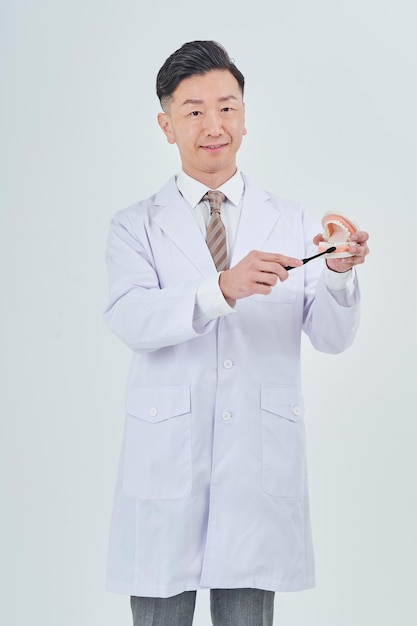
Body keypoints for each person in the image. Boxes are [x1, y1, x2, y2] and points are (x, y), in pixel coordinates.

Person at [103, 40, 369, 626]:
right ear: (166, 125)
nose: (213, 125)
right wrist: (220, 289)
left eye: (226, 107)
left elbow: (330, 338)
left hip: (256, 469)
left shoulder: (296, 221)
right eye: (193, 110)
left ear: (245, 118)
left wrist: (339, 276)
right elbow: (129, 316)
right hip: (165, 466)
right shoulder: (135, 226)